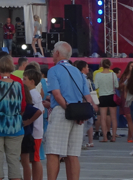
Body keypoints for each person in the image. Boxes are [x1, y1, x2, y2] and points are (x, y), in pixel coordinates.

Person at [43, 41, 88, 180]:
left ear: (57, 53)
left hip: (62, 111)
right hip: (78, 114)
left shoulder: (54, 70)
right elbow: (87, 97)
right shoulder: (78, 72)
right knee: (72, 154)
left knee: (53, 152)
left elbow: (57, 94)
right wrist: (79, 114)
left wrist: (69, 110)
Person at [22, 68, 45, 180]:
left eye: (24, 79)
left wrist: (28, 121)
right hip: (38, 130)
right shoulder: (36, 93)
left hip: (34, 131)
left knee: (35, 159)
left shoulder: (32, 94)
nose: (23, 81)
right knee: (35, 158)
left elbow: (38, 112)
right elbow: (43, 110)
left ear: (32, 81)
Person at [93, 59, 118, 143]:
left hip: (102, 96)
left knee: (102, 118)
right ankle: (113, 136)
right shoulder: (113, 74)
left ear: (101, 65)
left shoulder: (98, 75)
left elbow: (96, 86)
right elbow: (117, 85)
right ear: (110, 65)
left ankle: (105, 137)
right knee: (113, 118)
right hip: (112, 96)